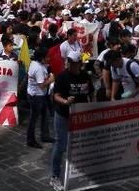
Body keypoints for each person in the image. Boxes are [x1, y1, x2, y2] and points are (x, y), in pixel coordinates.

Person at [50, 51, 94, 191]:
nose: (72, 66)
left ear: (79, 64)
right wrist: (65, 101)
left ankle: (77, 174)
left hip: (80, 116)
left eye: (75, 63)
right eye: (70, 63)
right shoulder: (62, 77)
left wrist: (92, 105)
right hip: (63, 115)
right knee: (60, 145)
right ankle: (55, 177)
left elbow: (91, 92)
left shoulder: (85, 75)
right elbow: (55, 96)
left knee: (79, 146)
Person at [26, 47, 54, 149]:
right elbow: (42, 85)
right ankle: (30, 140)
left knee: (45, 115)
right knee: (33, 118)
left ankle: (45, 135)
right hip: (36, 97)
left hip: (40, 95)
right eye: (47, 57)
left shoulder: (37, 63)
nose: (49, 58)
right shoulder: (37, 68)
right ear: (42, 58)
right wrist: (51, 79)